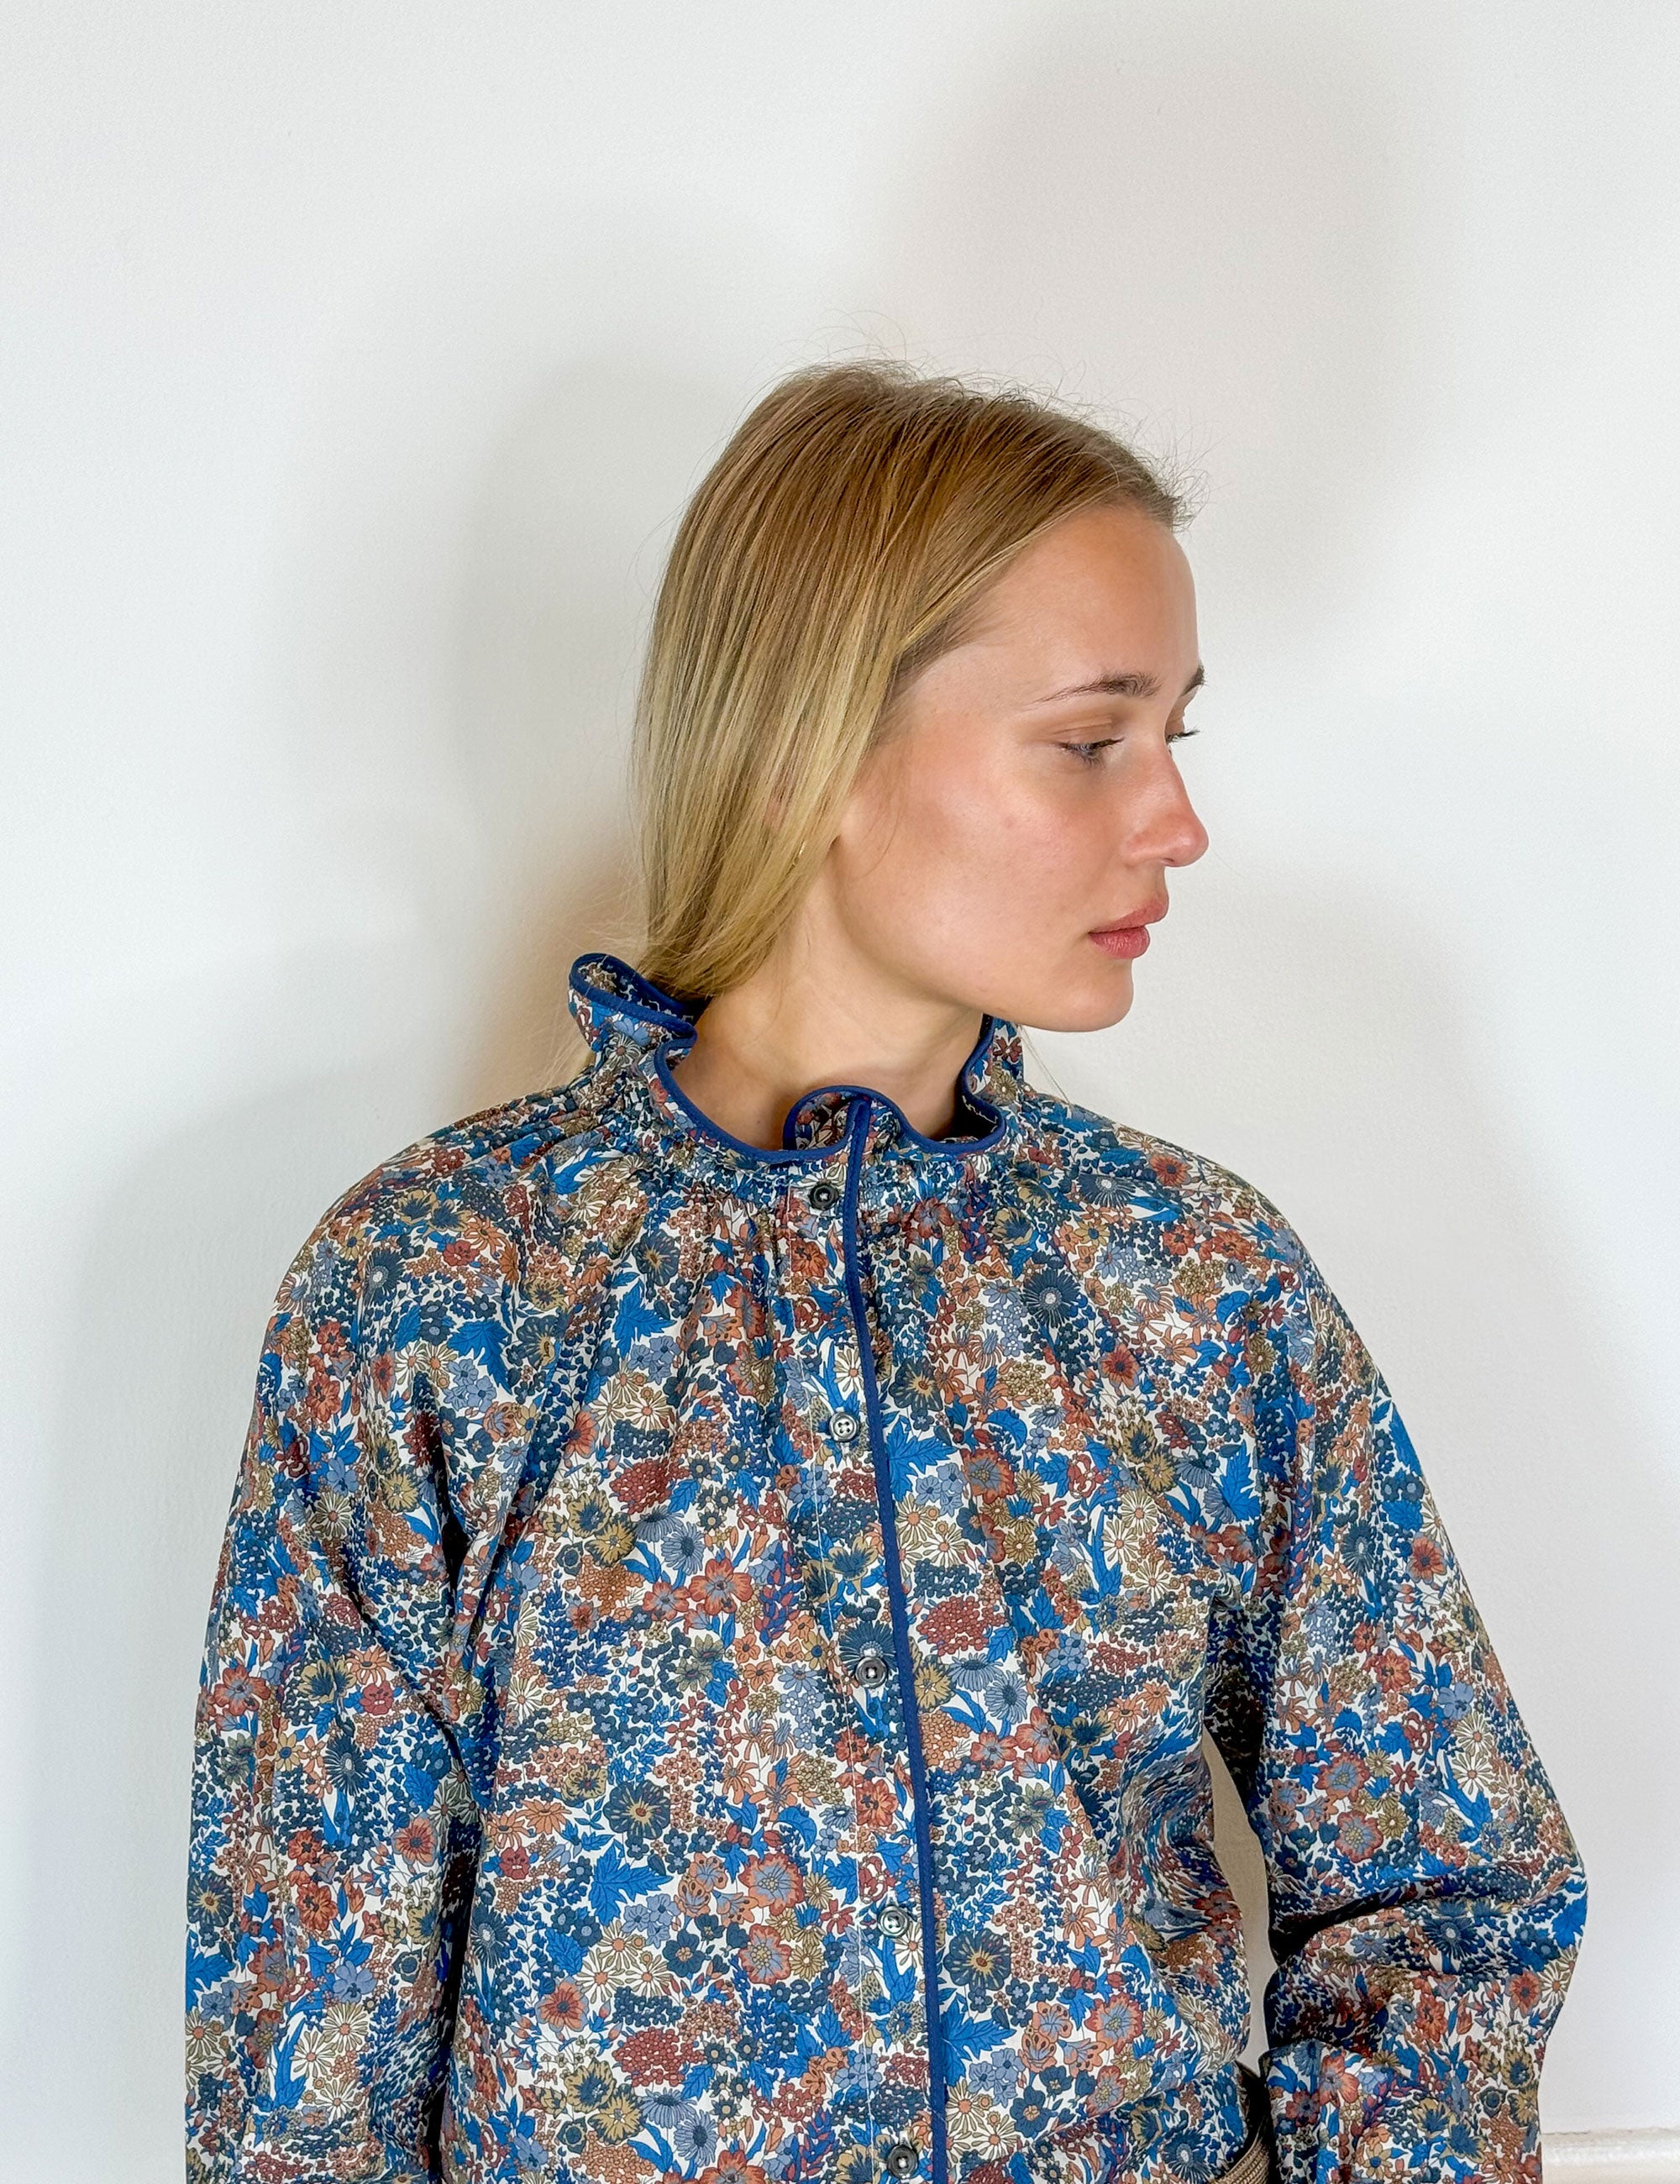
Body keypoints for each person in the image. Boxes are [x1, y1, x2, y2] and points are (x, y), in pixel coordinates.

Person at [186, 360, 1585, 2184]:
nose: (1174, 821)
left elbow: (1444, 1892)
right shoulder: (443, 1287)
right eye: (1091, 740)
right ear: (811, 749)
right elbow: (305, 2016)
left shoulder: (1189, 1279)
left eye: (1179, 737)